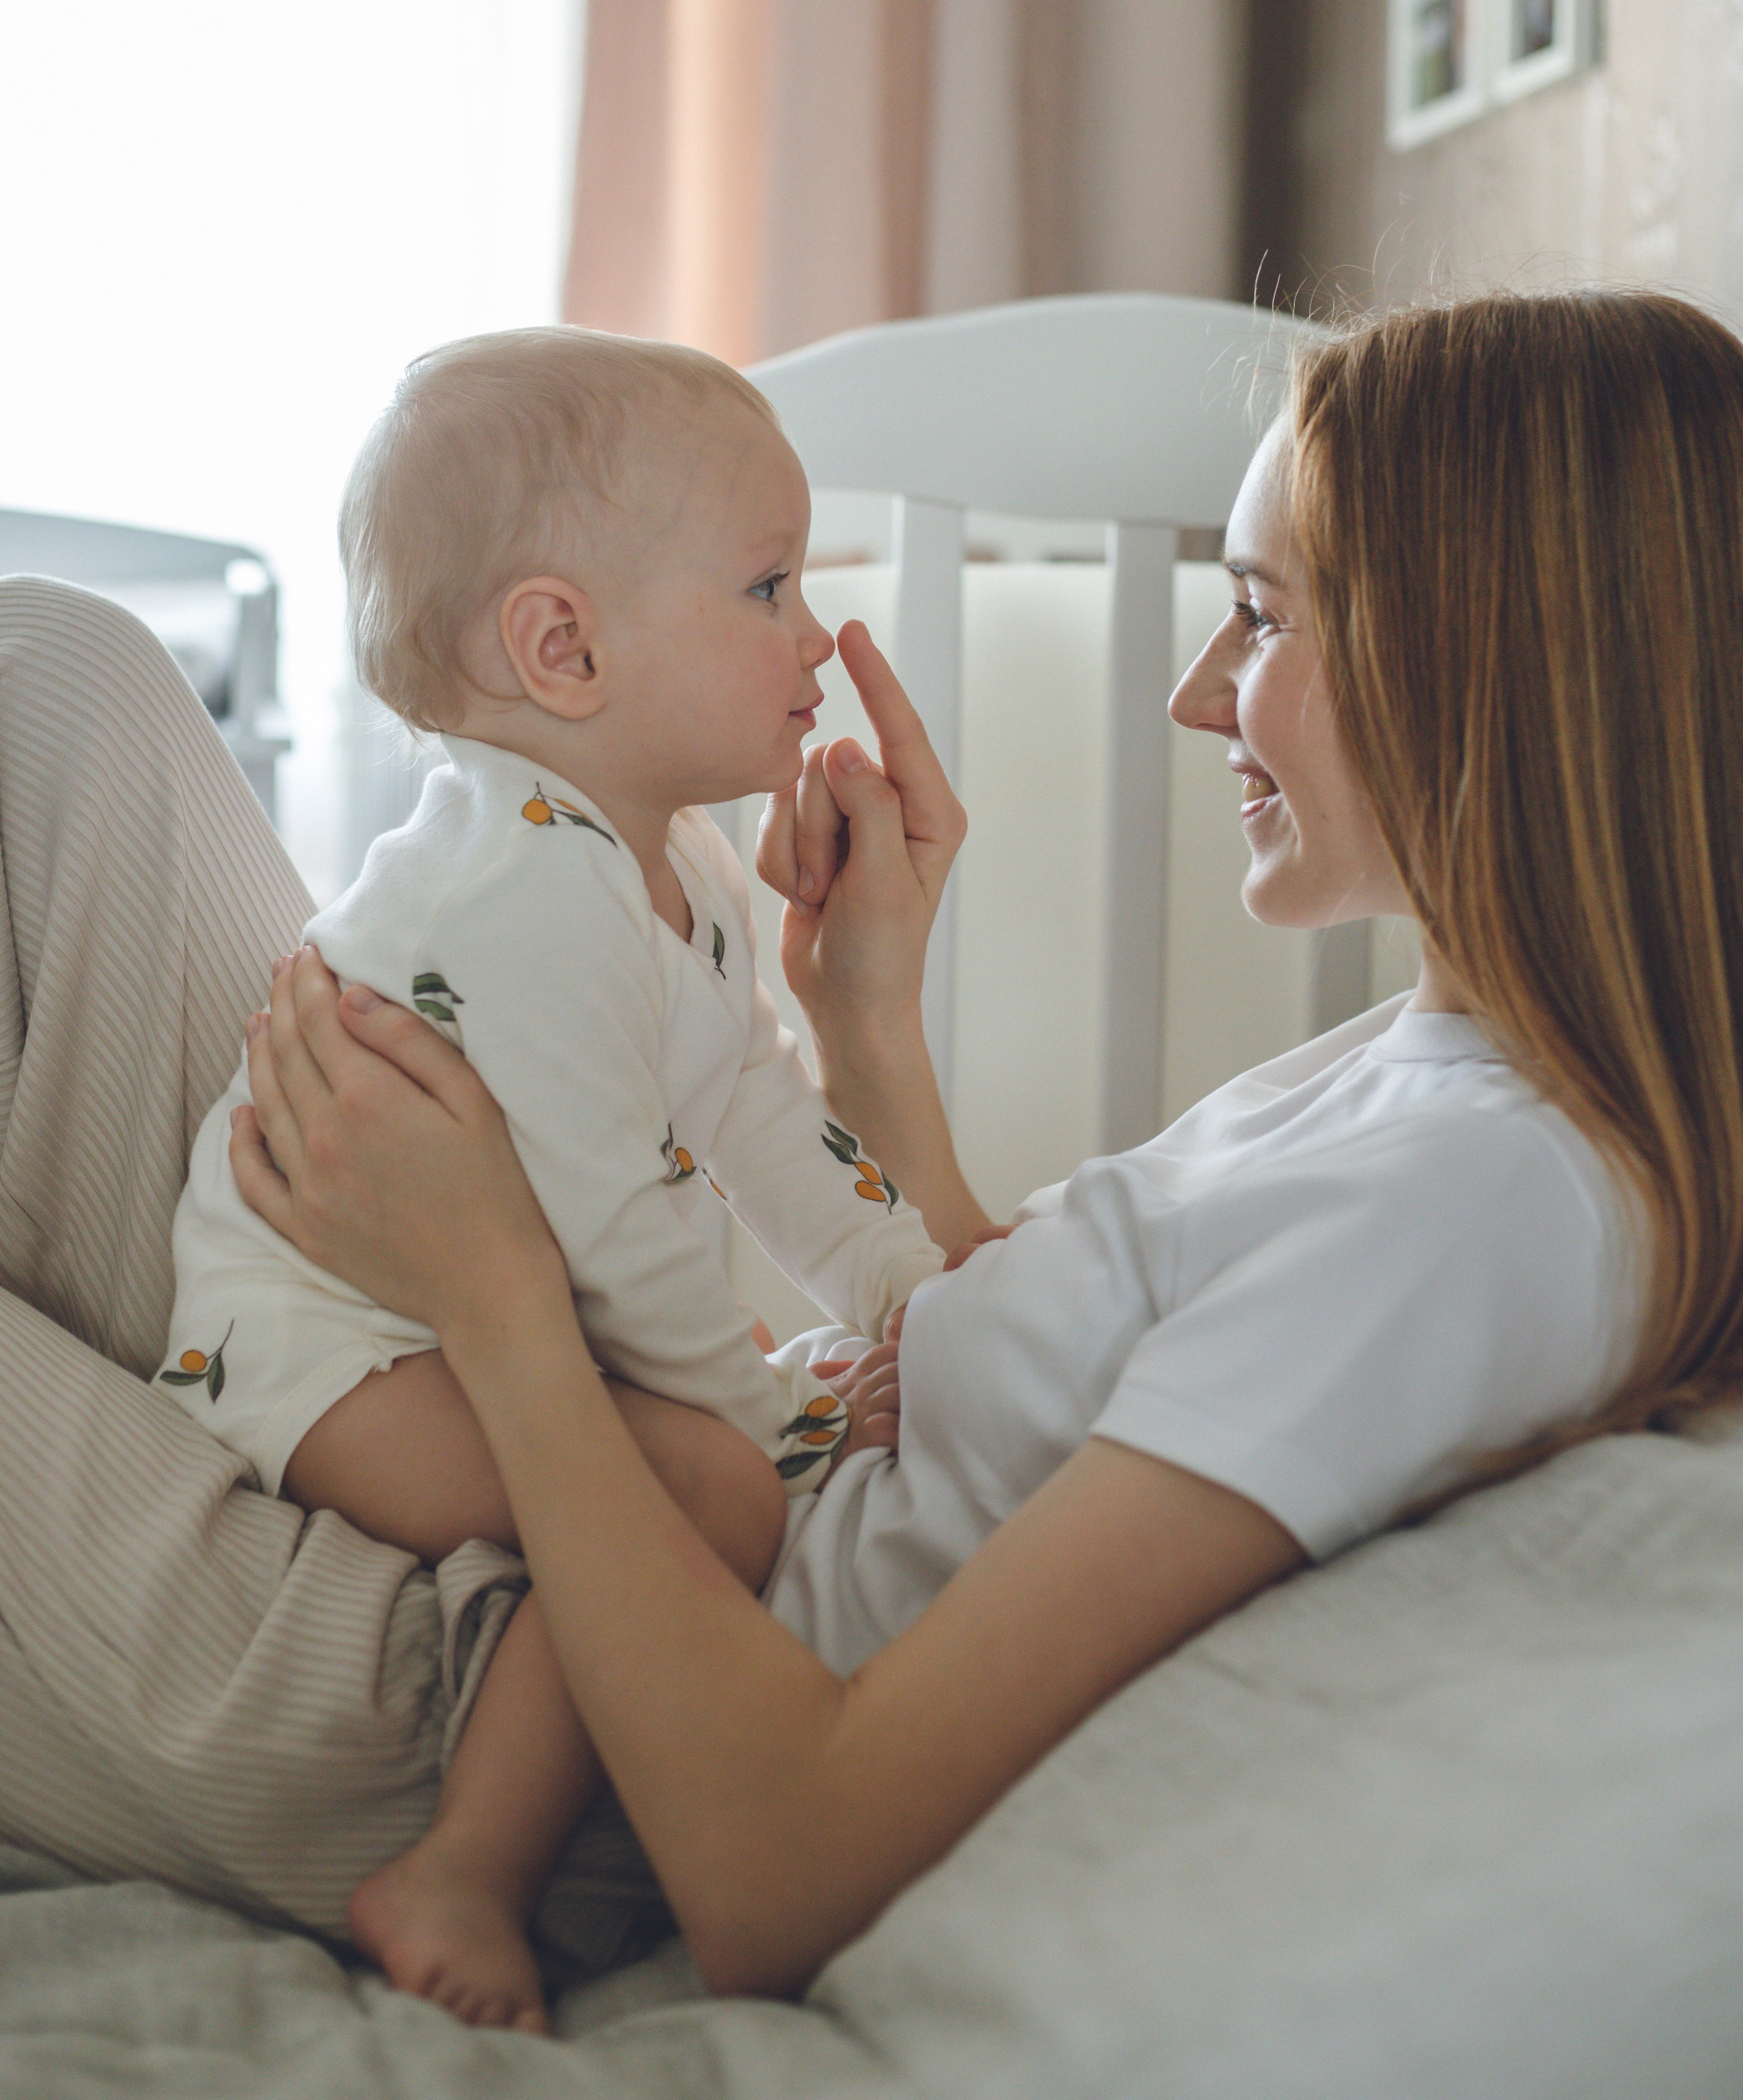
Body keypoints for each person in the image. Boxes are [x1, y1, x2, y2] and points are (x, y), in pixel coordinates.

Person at [231, 291, 1743, 2004]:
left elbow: (780, 1862)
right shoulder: (1431, 1066)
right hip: (570, 1556)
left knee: (62, 703)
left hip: (545, 1687)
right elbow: (1018, 1409)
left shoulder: (1472, 1204)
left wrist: (496, 1297)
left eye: (1256, 618)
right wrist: (866, 1029)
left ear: (1495, 661)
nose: (1192, 694)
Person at [157, 327, 943, 2028]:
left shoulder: (674, 866)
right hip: (317, 1343)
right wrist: (781, 1417)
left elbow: (757, 1117)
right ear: (562, 648)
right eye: (768, 586)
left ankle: (477, 1844)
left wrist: (917, 1295)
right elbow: (614, 1234)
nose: (814, 634)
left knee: (688, 1456)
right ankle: (465, 1867)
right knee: (709, 1493)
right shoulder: (522, 901)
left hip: (440, 1314)